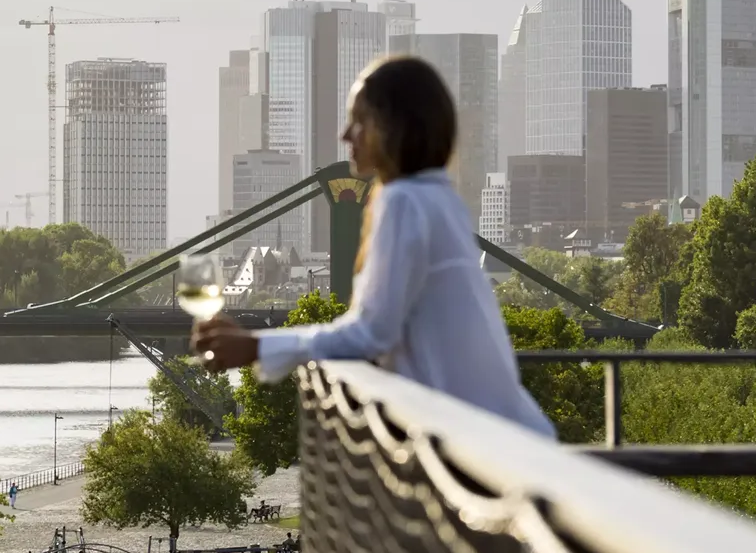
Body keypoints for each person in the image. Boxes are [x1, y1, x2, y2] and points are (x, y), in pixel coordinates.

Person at [193, 56, 554, 438]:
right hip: (510, 436)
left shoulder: (404, 201)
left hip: (485, 447)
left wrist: (254, 346)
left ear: (394, 128)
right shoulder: (439, 198)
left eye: (359, 121)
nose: (346, 135)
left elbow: (371, 333)